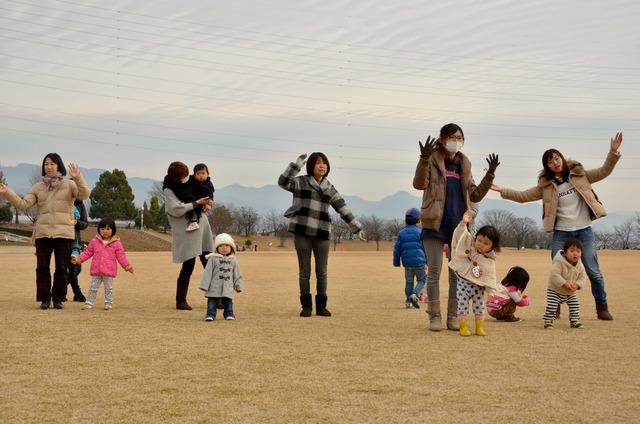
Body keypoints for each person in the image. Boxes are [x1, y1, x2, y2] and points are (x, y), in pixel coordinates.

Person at [491, 132, 622, 320]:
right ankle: (556, 306)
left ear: (562, 158)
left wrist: (613, 152)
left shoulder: (580, 175)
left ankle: (602, 306)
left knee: (593, 269)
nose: (555, 162)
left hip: (584, 229)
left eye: (557, 158)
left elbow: (604, 171)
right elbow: (523, 196)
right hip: (562, 233)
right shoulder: (546, 187)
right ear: (547, 167)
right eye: (550, 161)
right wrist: (502, 190)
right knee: (557, 270)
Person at [412, 123, 500, 331]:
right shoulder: (432, 159)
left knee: (456, 274)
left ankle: (454, 316)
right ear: (441, 139)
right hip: (434, 223)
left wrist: (490, 175)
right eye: (452, 137)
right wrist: (423, 159)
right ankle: (434, 317)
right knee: (433, 272)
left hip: (458, 227)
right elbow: (419, 184)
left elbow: (475, 194)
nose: (456, 141)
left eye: (459, 137)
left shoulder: (464, 163)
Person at [279, 152, 365, 317]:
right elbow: (283, 182)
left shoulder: (329, 188)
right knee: (304, 271)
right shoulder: (300, 182)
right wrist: (296, 166)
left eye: (324, 163)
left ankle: (321, 306)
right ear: (311, 165)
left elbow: (342, 208)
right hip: (302, 230)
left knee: (322, 271)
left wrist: (357, 228)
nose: (322, 166)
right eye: (318, 163)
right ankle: (306, 306)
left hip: (322, 233)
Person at [0, 153, 90, 309]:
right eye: (46, 164)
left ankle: (58, 298)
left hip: (63, 232)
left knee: (62, 268)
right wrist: (7, 192)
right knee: (42, 267)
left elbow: (84, 194)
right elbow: (23, 205)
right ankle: (44, 298)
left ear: (59, 166)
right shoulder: (38, 187)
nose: (49, 167)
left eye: (52, 164)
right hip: (43, 232)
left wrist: (77, 177)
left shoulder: (69, 185)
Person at [163, 161, 214, 310]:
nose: (186, 179)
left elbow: (203, 193)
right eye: (183, 177)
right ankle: (181, 300)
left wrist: (207, 203)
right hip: (187, 230)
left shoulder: (192, 182)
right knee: (188, 265)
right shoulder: (169, 188)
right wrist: (196, 203)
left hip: (202, 226)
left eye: (187, 175)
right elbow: (175, 209)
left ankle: (217, 298)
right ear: (176, 178)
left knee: (209, 262)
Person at [449, 210, 501, 336]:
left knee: (479, 307)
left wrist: (492, 293)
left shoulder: (489, 260)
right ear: (476, 237)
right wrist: (463, 223)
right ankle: (463, 327)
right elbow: (460, 236)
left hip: (478, 287)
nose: (481, 244)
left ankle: (479, 327)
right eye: (479, 240)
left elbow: (490, 276)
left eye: (486, 243)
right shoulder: (469, 244)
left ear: (492, 247)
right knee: (462, 306)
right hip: (463, 284)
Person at [71, 218, 133, 310]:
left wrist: (126, 266)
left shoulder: (116, 243)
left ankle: (108, 303)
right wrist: (79, 259)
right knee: (93, 288)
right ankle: (89, 303)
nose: (105, 231)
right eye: (102, 229)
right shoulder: (94, 241)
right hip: (96, 270)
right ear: (99, 229)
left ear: (113, 230)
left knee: (108, 288)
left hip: (109, 271)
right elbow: (87, 252)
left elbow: (121, 256)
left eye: (108, 229)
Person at [543, 238, 586, 329]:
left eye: (578, 251)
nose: (575, 253)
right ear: (565, 252)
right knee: (552, 305)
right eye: (572, 251)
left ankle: (574, 321)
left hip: (570, 292)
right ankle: (548, 321)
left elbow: (582, 277)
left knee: (575, 304)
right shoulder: (559, 262)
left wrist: (577, 285)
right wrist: (564, 283)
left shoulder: (580, 265)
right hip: (555, 290)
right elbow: (554, 275)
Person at [199, 233, 244, 321]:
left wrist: (238, 285)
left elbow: (237, 274)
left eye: (227, 245)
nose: (224, 248)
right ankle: (210, 314)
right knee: (212, 301)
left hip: (227, 286)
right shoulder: (212, 259)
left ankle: (229, 313)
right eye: (221, 246)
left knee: (228, 301)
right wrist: (204, 285)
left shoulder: (233, 260)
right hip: (214, 286)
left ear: (231, 248)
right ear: (216, 248)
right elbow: (207, 273)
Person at [393, 208, 427, 309]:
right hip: (420, 261)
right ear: (418, 220)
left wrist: (396, 262)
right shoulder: (421, 232)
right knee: (422, 280)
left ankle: (408, 302)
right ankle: (415, 294)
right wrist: (428, 260)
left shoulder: (401, 233)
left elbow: (397, 249)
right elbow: (425, 247)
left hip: (407, 263)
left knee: (409, 282)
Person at [67, 199, 88, 302]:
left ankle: (56, 291)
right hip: (62, 239)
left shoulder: (80, 204)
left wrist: (76, 222)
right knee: (72, 269)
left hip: (75, 239)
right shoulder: (60, 200)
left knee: (77, 269)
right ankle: (78, 294)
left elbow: (85, 223)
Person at [185, 163, 215, 232]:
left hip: (204, 201)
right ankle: (194, 221)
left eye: (203, 173)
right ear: (194, 175)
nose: (201, 175)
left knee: (201, 209)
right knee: (194, 209)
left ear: (208, 174)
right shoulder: (192, 181)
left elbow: (210, 193)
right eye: (198, 174)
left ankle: (194, 222)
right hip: (194, 200)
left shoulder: (209, 184)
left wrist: (210, 201)